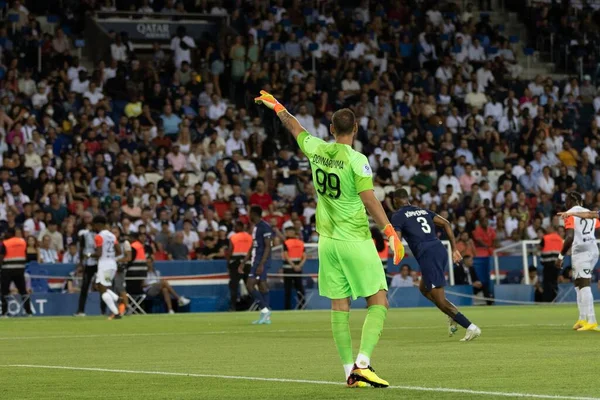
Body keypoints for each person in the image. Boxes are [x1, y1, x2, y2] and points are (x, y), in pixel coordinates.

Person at [256, 90, 404, 388]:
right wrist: (390, 232)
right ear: (356, 129)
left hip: (327, 242)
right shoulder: (357, 160)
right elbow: (370, 200)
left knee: (340, 306)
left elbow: (295, 127)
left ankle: (348, 371)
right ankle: (362, 364)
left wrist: (278, 107)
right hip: (355, 239)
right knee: (379, 300)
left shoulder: (317, 148)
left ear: (332, 129)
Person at [391, 188, 481, 341]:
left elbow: (397, 241)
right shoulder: (422, 211)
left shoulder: (397, 216)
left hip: (428, 255)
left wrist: (392, 245)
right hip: (439, 249)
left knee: (439, 299)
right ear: (408, 199)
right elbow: (446, 223)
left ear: (395, 201)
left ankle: (471, 327)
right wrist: (454, 249)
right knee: (423, 289)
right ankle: (451, 314)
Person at [555, 192, 599, 331]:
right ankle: (582, 318)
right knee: (579, 284)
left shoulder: (569, 213)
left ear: (569, 201)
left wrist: (561, 256)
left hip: (581, 252)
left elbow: (569, 237)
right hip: (593, 249)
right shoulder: (590, 212)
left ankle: (591, 320)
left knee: (584, 284)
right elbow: (596, 227)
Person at [242, 205, 273, 324]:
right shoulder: (256, 227)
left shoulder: (265, 227)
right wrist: (244, 262)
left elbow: (268, 247)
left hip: (260, 261)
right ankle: (266, 317)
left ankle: (265, 310)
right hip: (256, 260)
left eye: (250, 213)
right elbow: (253, 246)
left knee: (250, 285)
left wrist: (261, 264)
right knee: (262, 286)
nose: (248, 215)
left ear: (254, 214)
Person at [92, 215, 122, 320]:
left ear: (98, 225)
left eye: (94, 225)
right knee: (98, 286)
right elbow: (119, 251)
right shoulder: (112, 236)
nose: (94, 227)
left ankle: (116, 313)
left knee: (103, 290)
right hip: (112, 265)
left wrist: (89, 255)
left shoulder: (98, 237)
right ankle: (117, 298)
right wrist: (110, 256)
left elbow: (99, 253)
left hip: (104, 265)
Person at [0, 227, 31, 317]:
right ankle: (28, 312)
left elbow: (1, 256)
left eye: (6, 233)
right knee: (23, 291)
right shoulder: (22, 242)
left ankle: (4, 312)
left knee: (4, 291)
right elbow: (25, 254)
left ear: (10, 234)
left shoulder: (5, 243)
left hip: (7, 269)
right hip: (20, 269)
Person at [75, 216, 99, 316]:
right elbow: (81, 248)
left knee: (102, 286)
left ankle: (104, 309)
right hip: (88, 263)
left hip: (99, 263)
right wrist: (81, 263)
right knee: (84, 286)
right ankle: (81, 310)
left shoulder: (99, 235)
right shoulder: (85, 235)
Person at [227, 221, 252, 310]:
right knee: (249, 286)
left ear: (239, 227)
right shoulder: (250, 237)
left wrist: (228, 264)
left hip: (236, 263)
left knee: (234, 286)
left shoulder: (233, 237)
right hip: (247, 263)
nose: (234, 228)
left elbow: (230, 250)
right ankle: (252, 305)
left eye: (235, 226)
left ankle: (233, 307)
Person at [282, 226, 306, 310]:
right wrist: (299, 266)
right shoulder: (301, 243)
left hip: (288, 268)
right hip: (298, 268)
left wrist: (293, 266)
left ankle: (287, 308)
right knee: (299, 288)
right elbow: (304, 257)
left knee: (288, 289)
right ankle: (302, 307)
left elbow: (286, 256)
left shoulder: (286, 243)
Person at [538, 226, 563, 302]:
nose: (547, 229)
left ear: (552, 229)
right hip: (557, 265)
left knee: (547, 283)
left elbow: (539, 247)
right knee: (554, 283)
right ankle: (554, 299)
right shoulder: (560, 239)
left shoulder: (545, 238)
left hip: (547, 264)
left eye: (549, 228)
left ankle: (548, 301)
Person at [112, 226, 132, 316]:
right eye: (112, 233)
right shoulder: (109, 243)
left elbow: (128, 257)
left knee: (120, 287)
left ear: (119, 233)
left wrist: (116, 261)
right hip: (110, 268)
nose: (113, 234)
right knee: (112, 288)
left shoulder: (125, 243)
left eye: (115, 232)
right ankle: (118, 308)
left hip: (119, 268)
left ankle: (127, 307)